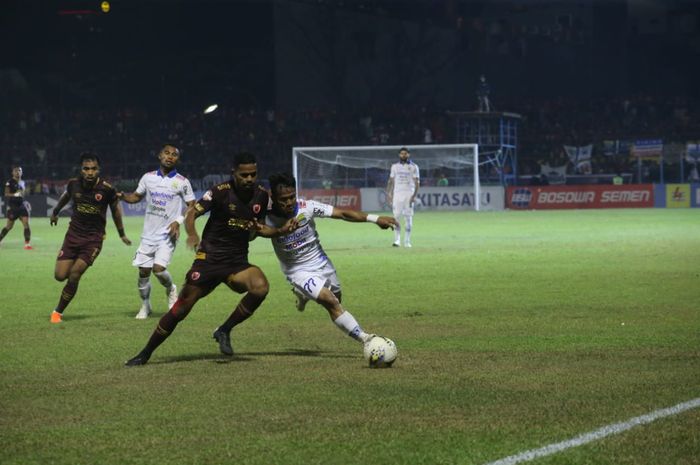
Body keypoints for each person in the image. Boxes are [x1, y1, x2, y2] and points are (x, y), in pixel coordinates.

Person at [125, 152, 295, 366]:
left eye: (253, 174)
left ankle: (224, 329)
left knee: (260, 287)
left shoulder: (261, 196)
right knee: (181, 309)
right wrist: (193, 234)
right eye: (244, 175)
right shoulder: (220, 192)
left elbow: (258, 230)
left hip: (236, 263)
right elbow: (191, 214)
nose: (249, 179)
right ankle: (145, 353)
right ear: (233, 173)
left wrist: (278, 231)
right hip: (209, 261)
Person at [258, 173, 398, 347]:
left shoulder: (307, 207)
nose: (288, 202)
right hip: (297, 270)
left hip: (321, 262)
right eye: (283, 199)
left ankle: (302, 294)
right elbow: (259, 230)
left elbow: (343, 213)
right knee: (330, 302)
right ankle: (366, 339)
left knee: (337, 299)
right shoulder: (267, 215)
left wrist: (375, 218)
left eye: (291, 197)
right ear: (274, 197)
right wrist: (280, 231)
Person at [49, 153, 132, 324]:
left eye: (93, 169)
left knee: (74, 275)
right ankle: (69, 273)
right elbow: (66, 196)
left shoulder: (107, 189)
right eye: (86, 169)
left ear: (98, 170)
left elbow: (116, 210)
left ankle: (58, 312)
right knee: (60, 275)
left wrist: (121, 233)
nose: (90, 172)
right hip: (72, 237)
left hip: (93, 240)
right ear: (81, 170)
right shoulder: (73, 184)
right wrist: (55, 212)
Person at [118, 143, 196, 319]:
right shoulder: (148, 178)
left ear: (178, 159)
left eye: (174, 155)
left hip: (168, 234)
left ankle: (171, 289)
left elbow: (192, 205)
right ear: (159, 156)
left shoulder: (183, 182)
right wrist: (123, 196)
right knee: (143, 272)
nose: (170, 156)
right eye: (166, 153)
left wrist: (178, 221)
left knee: (159, 269)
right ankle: (145, 306)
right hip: (148, 234)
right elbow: (136, 197)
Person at [386, 147, 420, 247]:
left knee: (408, 218)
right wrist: (389, 193)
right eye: (401, 154)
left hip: (409, 194)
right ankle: (397, 240)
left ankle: (407, 241)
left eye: (405, 154)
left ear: (408, 155)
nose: (403, 155)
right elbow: (391, 181)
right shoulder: (394, 166)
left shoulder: (414, 167)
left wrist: (414, 196)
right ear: (399, 155)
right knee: (396, 217)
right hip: (397, 195)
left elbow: (417, 182)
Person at [0, 166, 32, 249]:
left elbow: (22, 194)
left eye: (19, 170)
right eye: (16, 171)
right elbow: (6, 194)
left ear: (21, 172)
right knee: (9, 227)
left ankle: (27, 244)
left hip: (21, 206)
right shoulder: (9, 182)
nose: (18, 172)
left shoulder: (23, 182)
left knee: (26, 224)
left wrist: (25, 202)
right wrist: (15, 194)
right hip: (13, 207)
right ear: (12, 173)